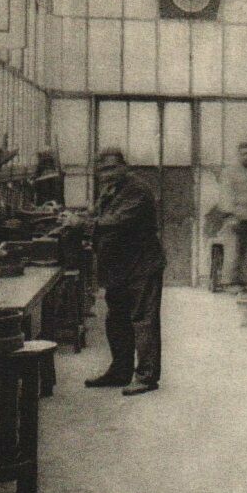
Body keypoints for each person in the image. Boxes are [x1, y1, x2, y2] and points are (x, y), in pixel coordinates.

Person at [61, 147, 165, 396]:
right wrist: (75, 216)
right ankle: (120, 371)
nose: (107, 174)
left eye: (112, 168)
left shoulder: (137, 190)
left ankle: (147, 376)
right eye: (103, 170)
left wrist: (81, 224)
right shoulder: (111, 190)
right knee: (117, 320)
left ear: (124, 167)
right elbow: (98, 214)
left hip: (142, 265)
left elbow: (117, 221)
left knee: (143, 320)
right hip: (119, 267)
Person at [218, 141, 247, 289]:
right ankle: (229, 282)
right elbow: (225, 194)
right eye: (244, 154)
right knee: (233, 250)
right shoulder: (229, 172)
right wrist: (230, 214)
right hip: (235, 217)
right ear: (238, 155)